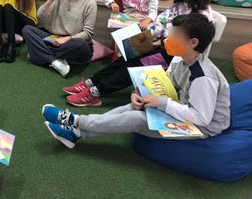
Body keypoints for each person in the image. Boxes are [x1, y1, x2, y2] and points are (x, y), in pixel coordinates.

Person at [42, 13, 230, 149]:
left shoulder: (203, 77)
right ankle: (76, 133)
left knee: (137, 118)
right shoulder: (179, 59)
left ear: (193, 43)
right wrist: (138, 94)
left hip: (202, 127)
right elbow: (165, 84)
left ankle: (76, 121)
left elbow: (202, 118)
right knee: (135, 107)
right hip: (186, 110)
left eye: (174, 35)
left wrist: (162, 103)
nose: (168, 39)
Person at [65, 0, 213, 107]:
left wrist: (155, 43)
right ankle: (92, 82)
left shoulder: (201, 13)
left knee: (135, 64)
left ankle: (96, 93)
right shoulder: (179, 4)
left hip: (175, 54)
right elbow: (160, 23)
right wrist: (145, 38)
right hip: (160, 45)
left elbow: (183, 42)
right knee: (127, 56)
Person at [23, 0, 97, 78]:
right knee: (27, 29)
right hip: (54, 39)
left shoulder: (90, 3)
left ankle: (38, 54)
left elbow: (87, 34)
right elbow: (40, 16)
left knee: (81, 45)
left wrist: (66, 39)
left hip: (73, 41)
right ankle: (55, 61)